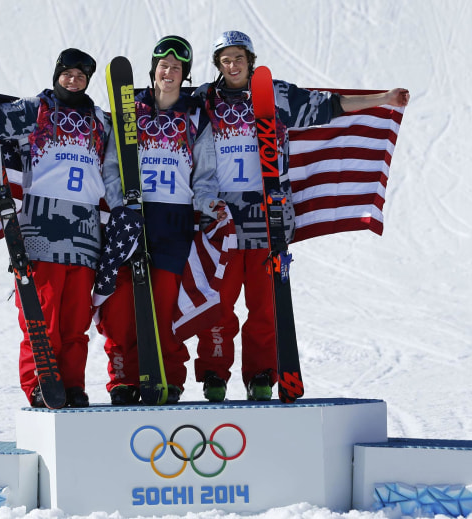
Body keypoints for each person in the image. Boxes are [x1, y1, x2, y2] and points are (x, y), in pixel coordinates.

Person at [193, 30, 410, 402]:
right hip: (221, 221)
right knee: (219, 306)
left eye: (238, 58)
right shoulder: (202, 100)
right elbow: (166, 118)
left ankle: (260, 374)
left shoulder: (275, 95)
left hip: (268, 219)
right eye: (225, 60)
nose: (232, 65)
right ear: (217, 65)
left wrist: (383, 99)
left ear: (250, 59)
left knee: (264, 307)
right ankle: (214, 374)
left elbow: (330, 106)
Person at [0, 49, 119, 408]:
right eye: (67, 74)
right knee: (42, 318)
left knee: (74, 323)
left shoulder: (101, 120)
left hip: (85, 230)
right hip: (41, 226)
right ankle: (40, 383)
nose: (73, 80)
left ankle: (71, 385)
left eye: (80, 76)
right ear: (57, 75)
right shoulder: (36, 109)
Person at [96, 35, 225, 405]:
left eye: (177, 68)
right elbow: (110, 166)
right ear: (153, 69)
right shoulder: (129, 110)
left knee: (165, 304)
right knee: (121, 305)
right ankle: (124, 378)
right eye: (163, 65)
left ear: (184, 75)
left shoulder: (196, 115)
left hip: (174, 218)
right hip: (132, 216)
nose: (169, 72)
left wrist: (206, 203)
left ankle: (168, 378)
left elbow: (204, 172)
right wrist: (122, 207)